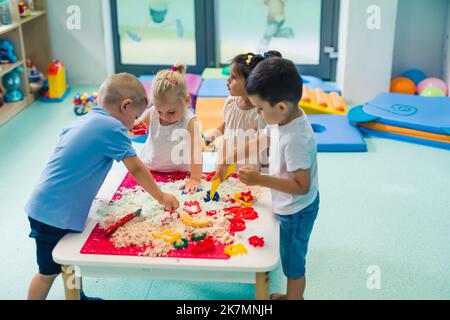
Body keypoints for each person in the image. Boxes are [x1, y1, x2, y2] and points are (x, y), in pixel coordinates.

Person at [25, 73, 179, 300]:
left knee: (70, 260)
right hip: (52, 214)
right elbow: (135, 168)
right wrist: (161, 196)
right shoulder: (111, 127)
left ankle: (77, 296)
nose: (134, 123)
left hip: (47, 203)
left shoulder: (87, 120)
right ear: (125, 105)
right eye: (135, 116)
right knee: (47, 273)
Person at [215, 58, 319, 300]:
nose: (259, 113)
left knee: (293, 262)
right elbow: (263, 139)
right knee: (288, 253)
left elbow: (301, 186)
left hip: (297, 210)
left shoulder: (296, 138)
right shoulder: (282, 119)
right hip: (288, 202)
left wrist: (259, 179)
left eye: (260, 109)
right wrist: (232, 156)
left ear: (281, 106)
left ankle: (294, 298)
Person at [204, 51, 282, 169]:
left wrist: (265, 171)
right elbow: (228, 123)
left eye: (234, 77)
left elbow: (264, 145)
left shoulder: (259, 113)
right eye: (230, 75)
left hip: (247, 165)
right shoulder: (231, 102)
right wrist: (216, 132)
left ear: (251, 84)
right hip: (226, 157)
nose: (228, 80)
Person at [136, 64, 203, 194]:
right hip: (150, 167)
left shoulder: (189, 121)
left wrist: (195, 179)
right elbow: (138, 129)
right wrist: (132, 130)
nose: (165, 116)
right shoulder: (152, 112)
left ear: (187, 101)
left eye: (171, 112)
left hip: (180, 171)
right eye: (160, 111)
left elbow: (196, 152)